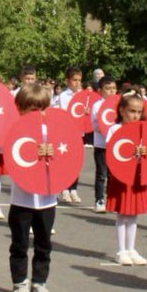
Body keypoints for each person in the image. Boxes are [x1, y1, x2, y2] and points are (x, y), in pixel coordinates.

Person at [6, 82, 60, 292]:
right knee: (20, 244)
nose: (37, 114)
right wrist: (31, 151)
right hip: (22, 199)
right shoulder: (14, 131)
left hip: (47, 199)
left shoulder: (53, 132)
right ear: (20, 109)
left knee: (43, 244)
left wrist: (52, 153)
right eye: (32, 109)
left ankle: (39, 283)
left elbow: (66, 158)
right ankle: (20, 284)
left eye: (42, 109)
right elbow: (8, 156)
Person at [108, 92, 147, 266]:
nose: (135, 115)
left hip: (137, 176)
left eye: (139, 112)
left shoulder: (143, 129)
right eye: (132, 111)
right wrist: (130, 152)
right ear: (122, 110)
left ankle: (131, 248)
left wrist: (144, 152)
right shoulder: (115, 129)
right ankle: (121, 250)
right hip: (121, 176)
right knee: (122, 213)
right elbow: (112, 152)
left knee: (133, 214)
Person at [54, 67, 84, 205]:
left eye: (79, 80)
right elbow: (62, 114)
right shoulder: (63, 96)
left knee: (76, 162)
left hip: (78, 133)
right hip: (65, 133)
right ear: (67, 81)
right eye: (74, 80)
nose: (77, 83)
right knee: (65, 161)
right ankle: (64, 188)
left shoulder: (83, 96)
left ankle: (73, 189)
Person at [90, 76, 118, 212]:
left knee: (114, 174)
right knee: (101, 173)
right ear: (100, 90)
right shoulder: (97, 105)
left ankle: (112, 200)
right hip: (101, 144)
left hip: (115, 145)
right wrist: (104, 126)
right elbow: (95, 125)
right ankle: (99, 200)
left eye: (113, 88)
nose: (111, 91)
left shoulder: (120, 103)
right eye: (108, 88)